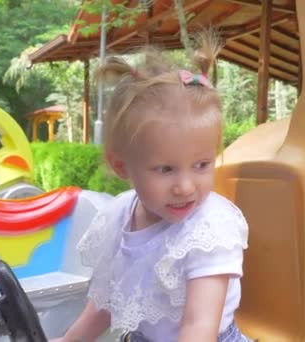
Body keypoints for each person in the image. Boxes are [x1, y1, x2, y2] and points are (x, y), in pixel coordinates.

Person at [55, 31, 250, 342]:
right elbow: (110, 301)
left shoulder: (208, 231)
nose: (186, 187)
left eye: (202, 165)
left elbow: (199, 327)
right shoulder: (120, 214)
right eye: (165, 169)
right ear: (121, 166)